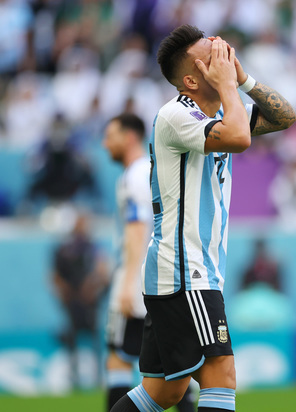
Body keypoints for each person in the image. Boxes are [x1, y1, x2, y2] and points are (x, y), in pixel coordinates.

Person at [110, 24, 296, 412]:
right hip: (184, 269)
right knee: (221, 375)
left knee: (165, 392)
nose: (222, 59)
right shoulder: (175, 114)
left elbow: (285, 116)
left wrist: (243, 79)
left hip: (189, 269)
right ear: (192, 79)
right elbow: (240, 139)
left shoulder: (222, 113)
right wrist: (229, 85)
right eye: (210, 57)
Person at [103, 113, 195, 411]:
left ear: (130, 137)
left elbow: (137, 227)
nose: (105, 144)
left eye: (110, 136)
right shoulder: (153, 169)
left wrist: (127, 282)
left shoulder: (133, 176)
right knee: (174, 363)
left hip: (138, 275)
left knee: (118, 358)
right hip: (165, 275)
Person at [51, 213, 109, 389]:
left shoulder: (92, 248)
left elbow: (103, 272)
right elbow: (55, 277)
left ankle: (98, 377)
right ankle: (74, 377)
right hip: (73, 302)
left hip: (89, 303)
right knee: (72, 339)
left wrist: (92, 288)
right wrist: (65, 294)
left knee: (94, 339)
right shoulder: (63, 250)